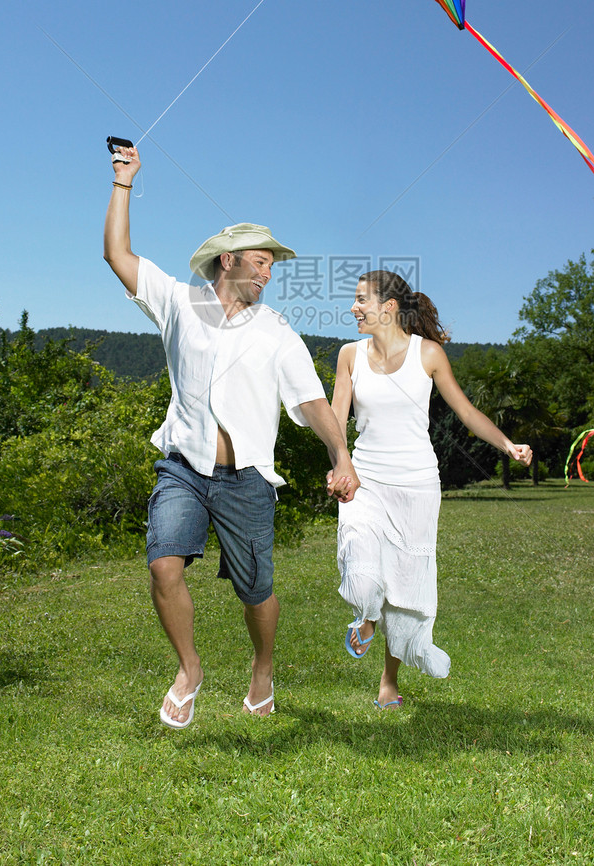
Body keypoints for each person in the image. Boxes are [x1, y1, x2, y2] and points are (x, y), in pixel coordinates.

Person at [104, 146, 359, 728]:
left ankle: (263, 668)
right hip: (184, 468)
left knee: (255, 591)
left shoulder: (276, 332)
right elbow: (116, 253)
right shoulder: (179, 303)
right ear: (227, 262)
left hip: (246, 479)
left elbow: (313, 403)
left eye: (272, 265)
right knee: (163, 565)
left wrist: (340, 454)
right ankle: (189, 669)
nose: (268, 273)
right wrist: (124, 183)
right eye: (260, 262)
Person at [329, 270, 532, 709]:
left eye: (361, 299)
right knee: (364, 572)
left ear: (388, 307)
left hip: (417, 483)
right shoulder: (349, 355)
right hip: (365, 479)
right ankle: (365, 616)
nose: (354, 307)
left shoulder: (430, 354)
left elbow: (465, 411)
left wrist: (507, 444)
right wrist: (339, 466)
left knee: (404, 582)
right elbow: (335, 419)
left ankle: (388, 680)